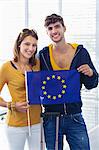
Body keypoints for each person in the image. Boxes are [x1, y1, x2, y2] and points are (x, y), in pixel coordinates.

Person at [39, 14, 98, 150]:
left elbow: (92, 84)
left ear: (64, 28)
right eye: (50, 28)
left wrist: (91, 73)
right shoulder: (42, 55)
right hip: (51, 118)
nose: (54, 31)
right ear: (47, 32)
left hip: (75, 116)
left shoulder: (80, 52)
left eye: (57, 26)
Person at [0, 28, 41, 150]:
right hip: (15, 125)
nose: (31, 48)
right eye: (27, 44)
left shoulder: (38, 64)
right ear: (19, 45)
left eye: (34, 45)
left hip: (37, 123)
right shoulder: (7, 67)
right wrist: (12, 105)